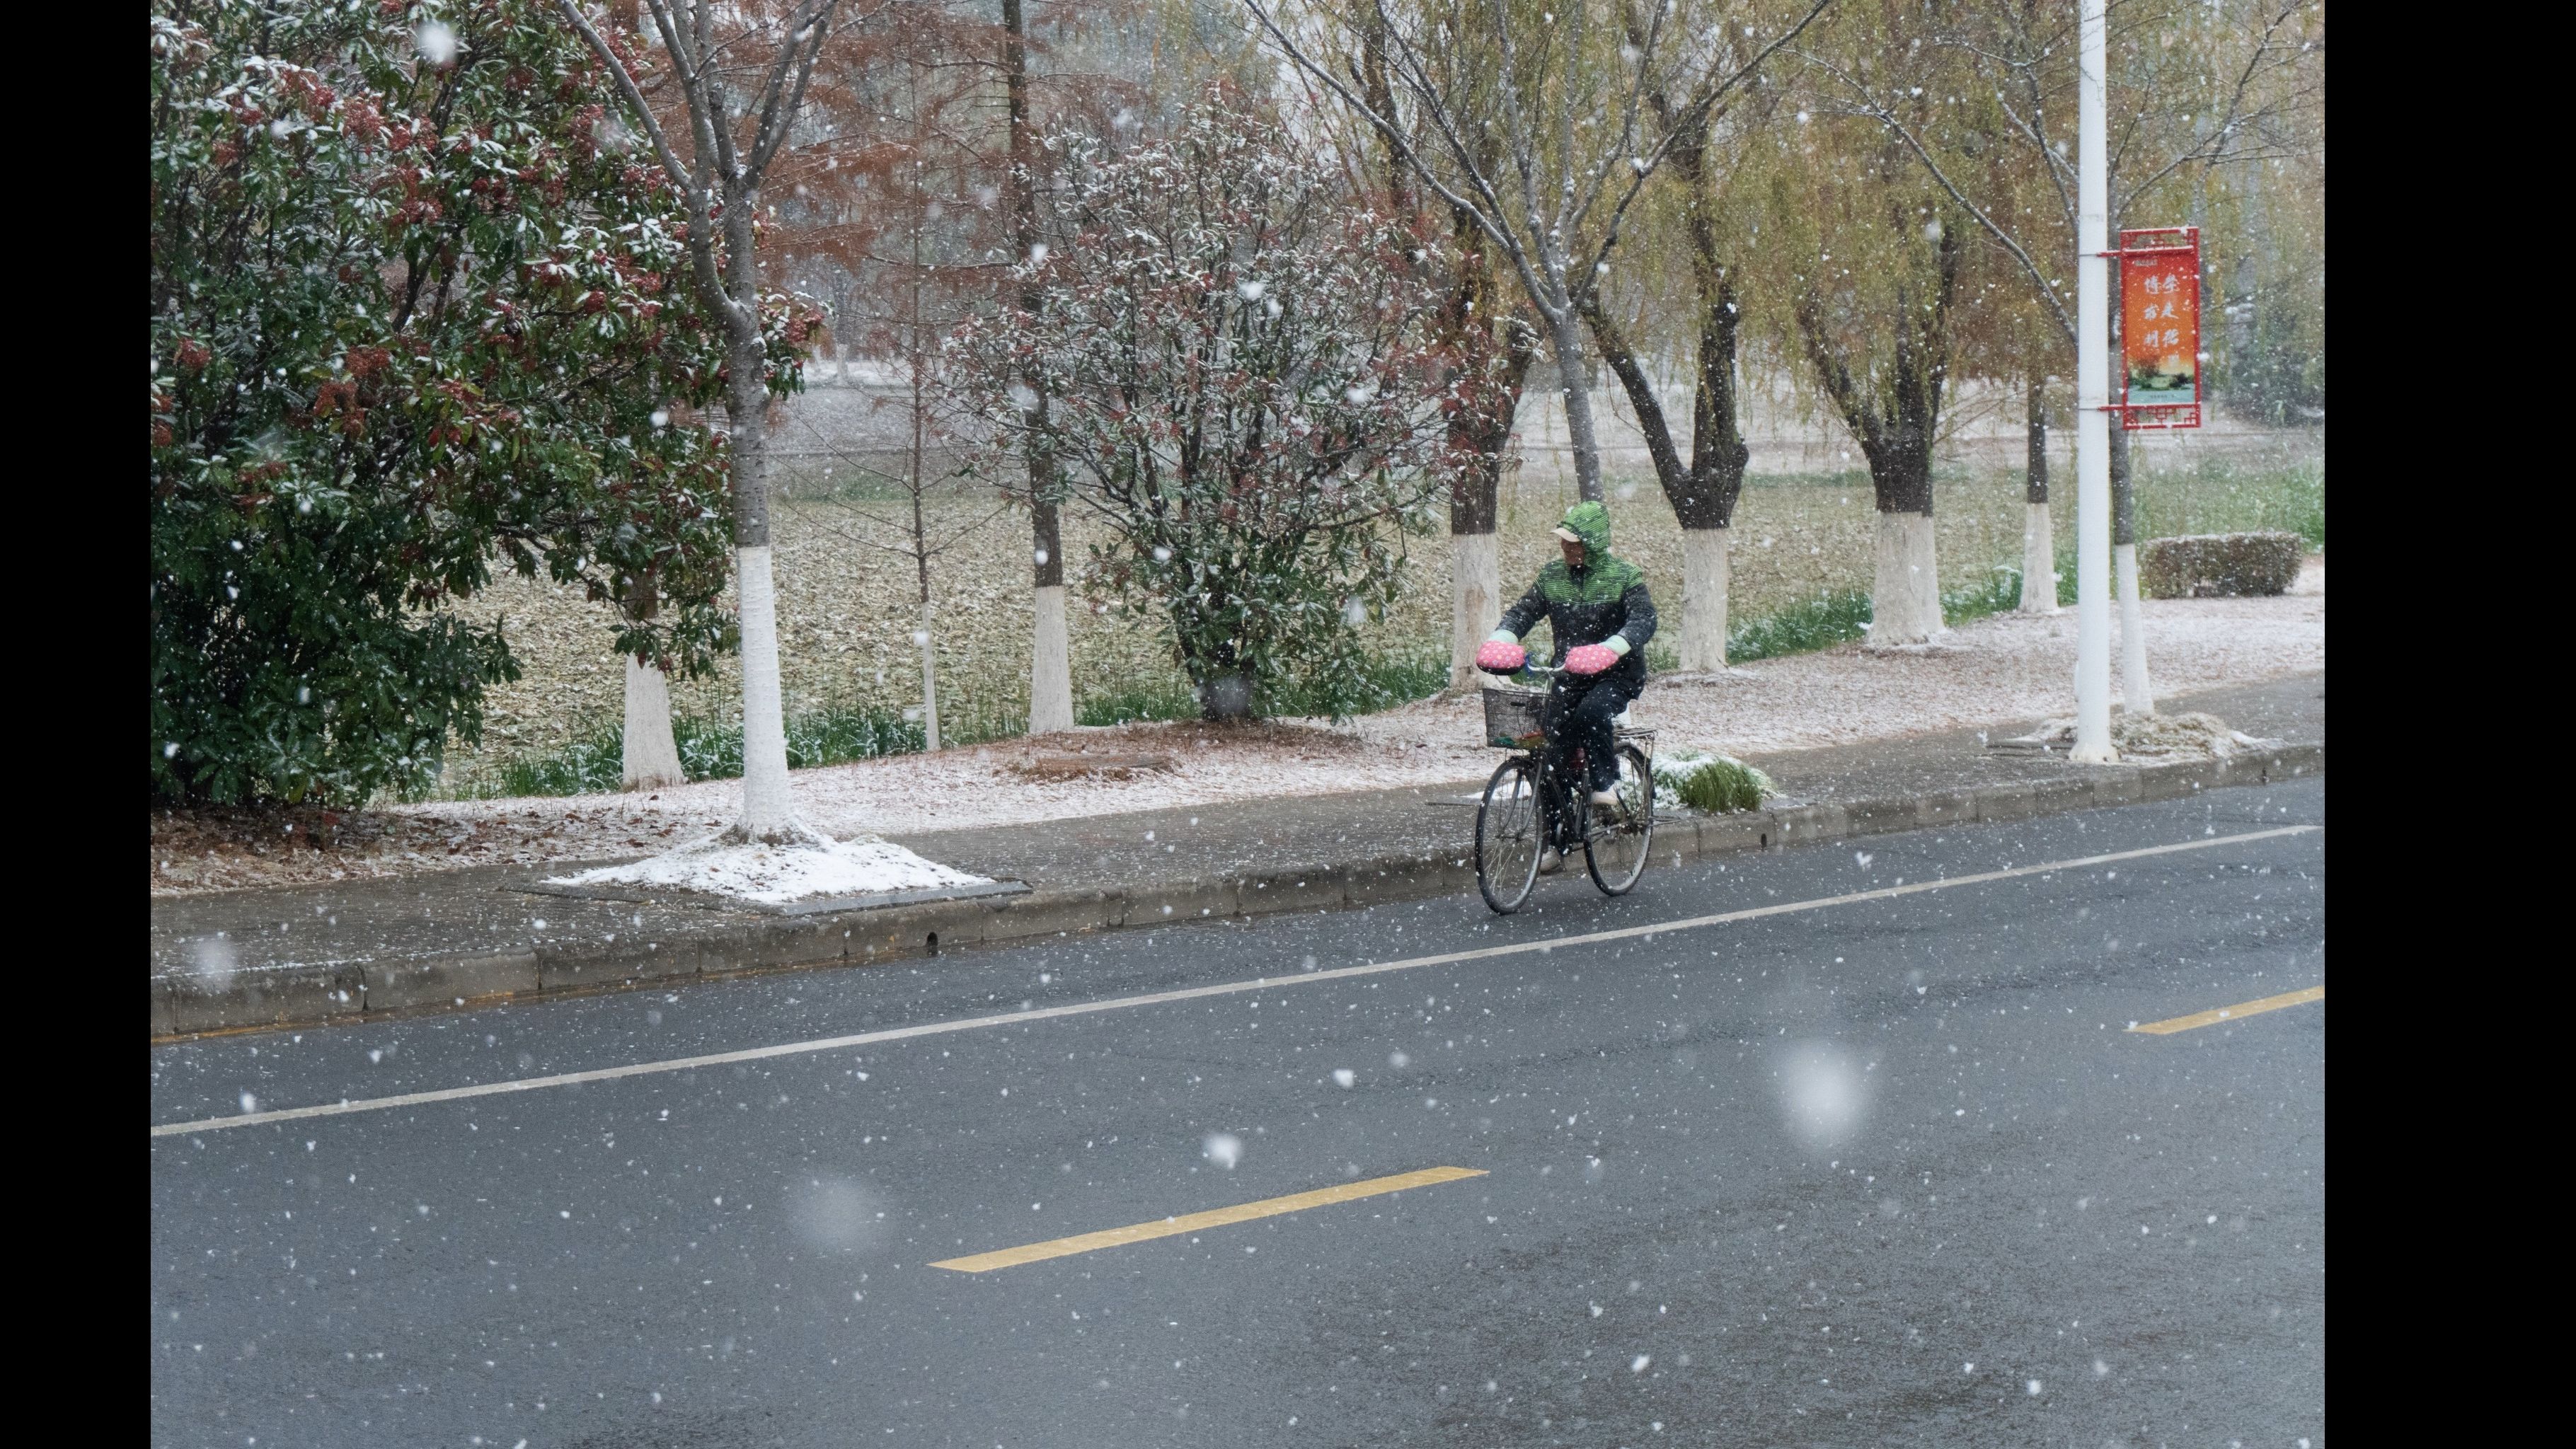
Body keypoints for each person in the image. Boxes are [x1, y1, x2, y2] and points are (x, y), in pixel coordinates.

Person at [1474, 500, 1657, 872]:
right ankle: (1557, 837)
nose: (1567, 548)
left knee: (1592, 713)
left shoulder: (1624, 576)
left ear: (1592, 543)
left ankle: (1604, 784)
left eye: (1574, 542)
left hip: (1617, 676)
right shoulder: (1552, 577)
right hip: (1569, 675)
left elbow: (1644, 620)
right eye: (1564, 542)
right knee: (1549, 753)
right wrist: (1503, 639)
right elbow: (1523, 612)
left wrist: (1611, 649)